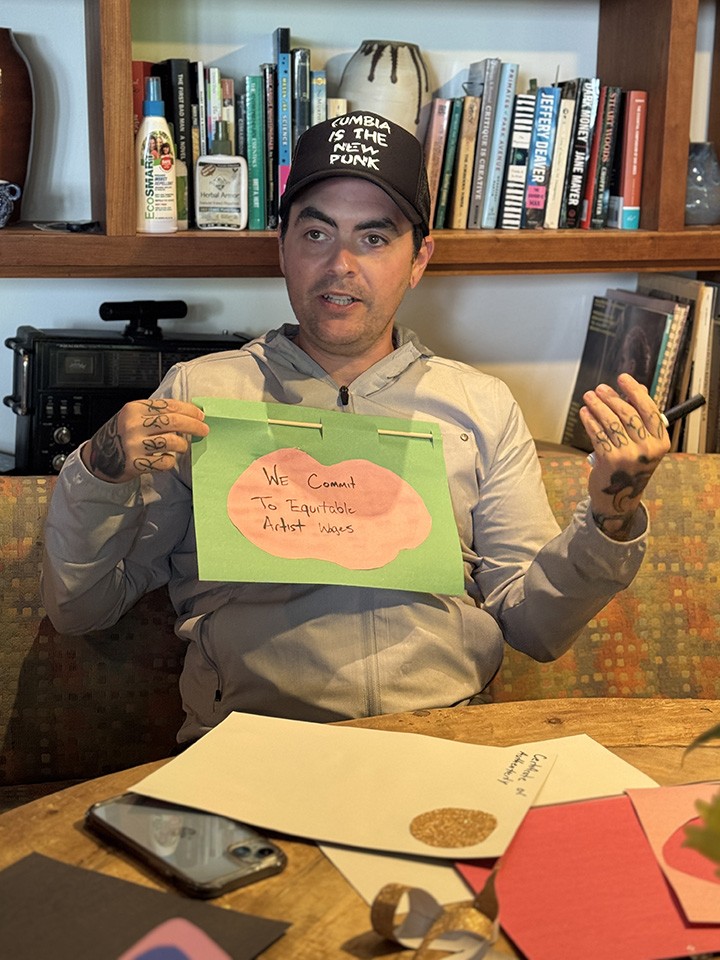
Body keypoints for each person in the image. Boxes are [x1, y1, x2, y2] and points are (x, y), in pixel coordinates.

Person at [41, 111, 670, 743]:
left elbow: (536, 628)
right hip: (252, 749)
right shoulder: (201, 396)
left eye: (374, 238)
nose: (342, 264)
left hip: (442, 744)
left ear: (418, 258)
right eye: (317, 233)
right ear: (280, 243)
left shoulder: (480, 406)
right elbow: (80, 608)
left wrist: (611, 515)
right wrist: (97, 470)